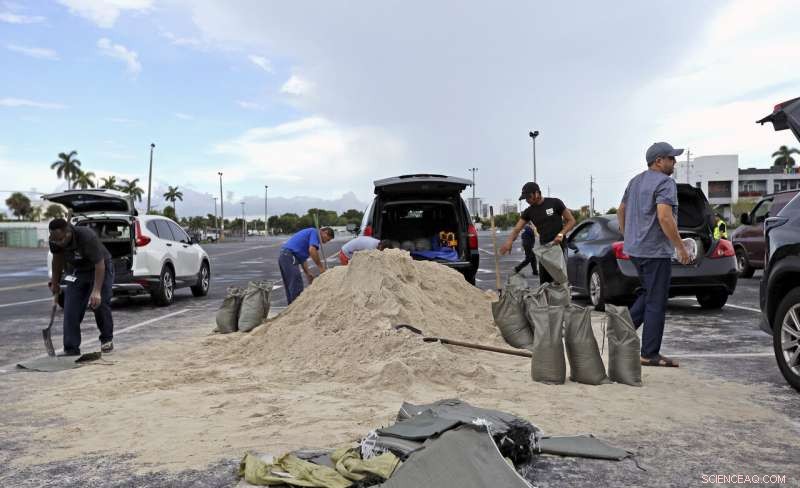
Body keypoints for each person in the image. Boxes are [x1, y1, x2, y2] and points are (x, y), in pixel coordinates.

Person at [617, 142, 692, 368]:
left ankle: (620, 330)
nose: (675, 162)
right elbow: (665, 217)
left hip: (636, 251)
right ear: (658, 161)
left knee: (648, 293)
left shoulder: (635, 181)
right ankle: (649, 353)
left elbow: (621, 210)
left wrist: (628, 235)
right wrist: (680, 246)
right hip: (655, 252)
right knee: (656, 300)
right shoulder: (665, 183)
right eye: (671, 158)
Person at [48, 218, 115, 356]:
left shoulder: (86, 236)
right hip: (78, 271)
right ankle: (71, 348)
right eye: (55, 240)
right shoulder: (54, 240)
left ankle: (106, 339)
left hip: (101, 268)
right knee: (70, 308)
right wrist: (55, 282)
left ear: (68, 232)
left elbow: (99, 264)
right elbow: (57, 260)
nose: (58, 243)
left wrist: (96, 291)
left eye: (60, 239)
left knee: (99, 304)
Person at [500, 182, 576, 283]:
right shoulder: (529, 212)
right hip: (544, 251)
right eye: (525, 198)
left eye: (529, 197)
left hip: (560, 248)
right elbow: (517, 229)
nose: (527, 200)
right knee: (544, 283)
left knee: (560, 281)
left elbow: (571, 221)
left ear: (537, 193)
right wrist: (509, 241)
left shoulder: (555, 203)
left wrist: (561, 234)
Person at [279, 227, 334, 304]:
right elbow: (312, 250)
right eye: (327, 239)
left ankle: (292, 307)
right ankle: (297, 307)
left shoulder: (311, 236)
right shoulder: (314, 232)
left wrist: (307, 272)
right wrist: (321, 267)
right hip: (289, 256)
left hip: (285, 256)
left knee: (291, 286)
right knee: (296, 285)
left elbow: (302, 258)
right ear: (324, 232)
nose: (325, 242)